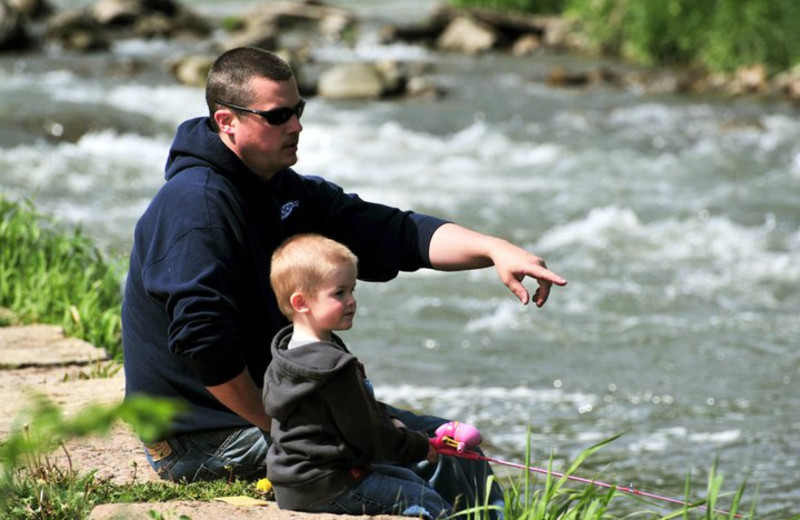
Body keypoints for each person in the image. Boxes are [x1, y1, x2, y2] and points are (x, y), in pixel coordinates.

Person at [121, 46, 566, 511]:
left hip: (273, 410)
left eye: (298, 110)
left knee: (457, 452)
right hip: (203, 436)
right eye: (277, 116)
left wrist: (492, 248)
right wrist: (280, 429)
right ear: (226, 122)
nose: (296, 125)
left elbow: (390, 232)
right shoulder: (197, 208)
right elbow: (203, 343)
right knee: (422, 470)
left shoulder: (280, 188)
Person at [264, 233, 451, 518]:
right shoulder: (332, 367)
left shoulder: (286, 354)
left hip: (295, 480)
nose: (351, 301)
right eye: (339, 293)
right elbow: (368, 433)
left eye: (352, 290)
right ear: (301, 302)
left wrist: (390, 420)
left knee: (411, 481)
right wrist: (417, 445)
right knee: (428, 502)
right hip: (329, 483)